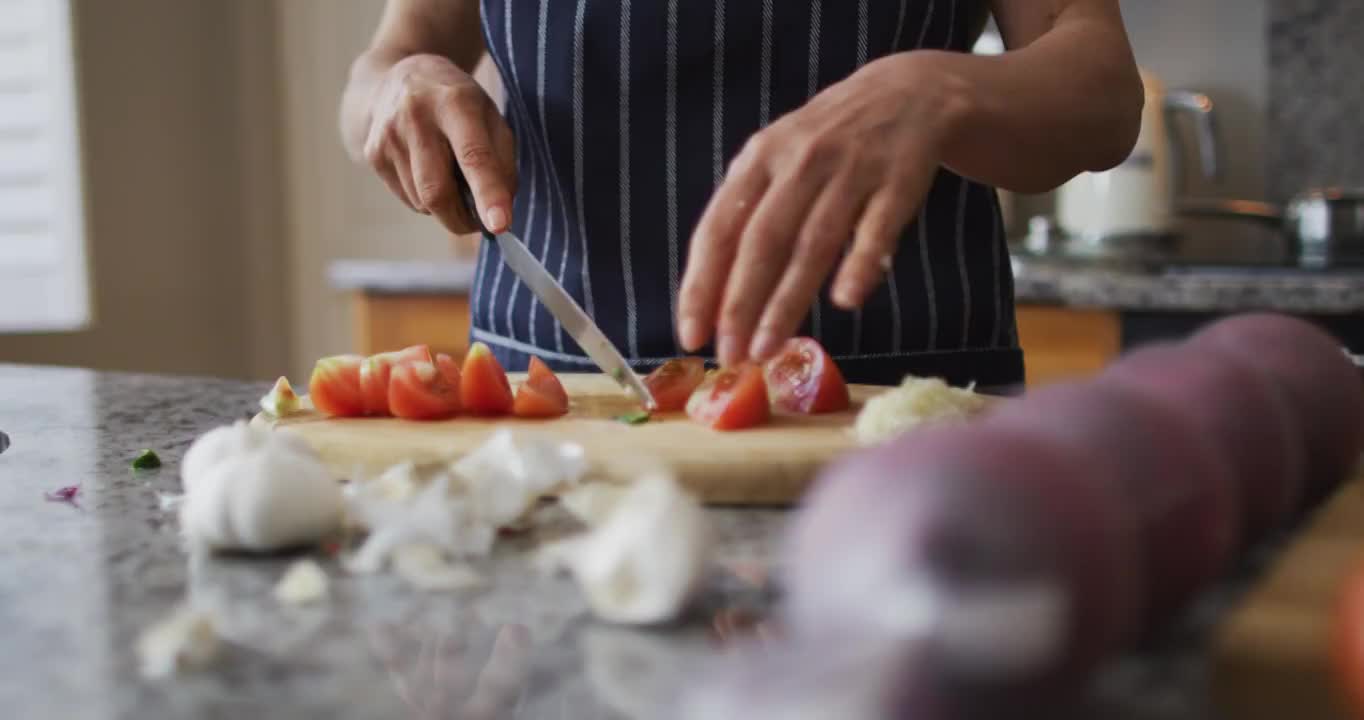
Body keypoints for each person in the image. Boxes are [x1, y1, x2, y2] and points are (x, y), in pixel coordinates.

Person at [340, 0, 1142, 387]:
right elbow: (390, 58)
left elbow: (1104, 94)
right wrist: (394, 89)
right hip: (547, 404)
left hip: (898, 411)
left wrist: (939, 91)